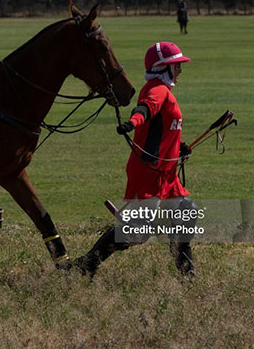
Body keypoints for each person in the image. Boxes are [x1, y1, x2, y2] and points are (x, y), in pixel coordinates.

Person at [74, 41, 197, 278]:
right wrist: (132, 123)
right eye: (176, 66)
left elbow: (163, 128)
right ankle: (88, 264)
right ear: (164, 68)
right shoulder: (157, 90)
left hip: (166, 173)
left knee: (186, 212)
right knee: (138, 233)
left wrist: (177, 148)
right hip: (149, 173)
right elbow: (145, 110)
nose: (180, 71)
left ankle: (186, 271)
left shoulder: (164, 90)